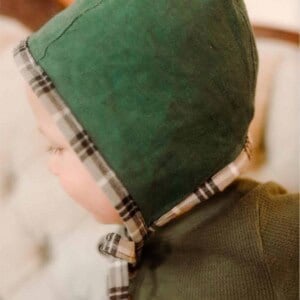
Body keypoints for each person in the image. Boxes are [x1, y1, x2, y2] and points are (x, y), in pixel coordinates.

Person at [13, 0, 299, 299]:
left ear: (135, 153)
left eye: (57, 147)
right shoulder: (150, 238)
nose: (50, 164)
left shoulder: (267, 235)